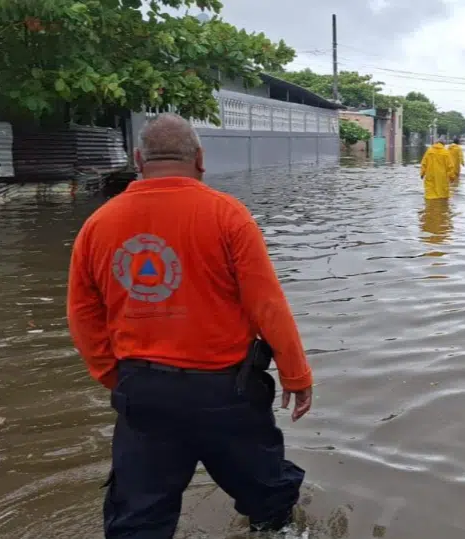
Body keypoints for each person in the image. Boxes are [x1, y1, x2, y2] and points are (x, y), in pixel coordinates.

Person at [67, 113, 314, 537]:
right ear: (200, 159)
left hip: (143, 394)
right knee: (269, 499)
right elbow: (267, 304)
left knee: (138, 519)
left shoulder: (97, 225)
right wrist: (296, 373)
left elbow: (82, 314)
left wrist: (117, 377)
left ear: (138, 158)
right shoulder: (228, 216)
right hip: (227, 393)